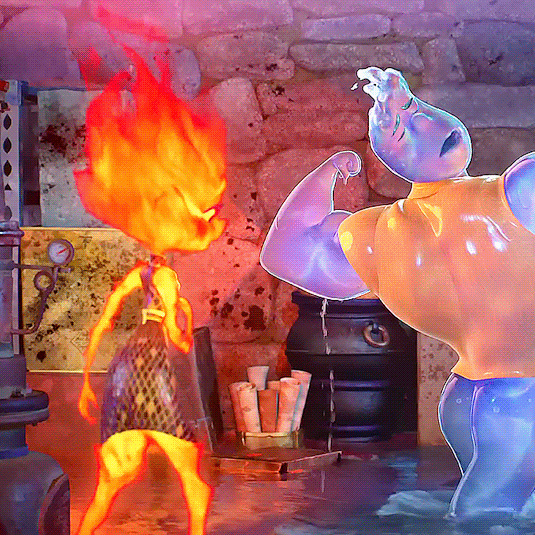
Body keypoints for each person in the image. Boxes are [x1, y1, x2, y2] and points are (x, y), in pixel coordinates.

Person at [261, 66, 535, 524]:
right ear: (387, 157)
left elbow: (287, 253)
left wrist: (327, 173)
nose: (424, 124)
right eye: (404, 128)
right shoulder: (519, 190)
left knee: (506, 508)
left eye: (416, 107)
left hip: (464, 397)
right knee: (488, 515)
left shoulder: (379, 234)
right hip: (521, 401)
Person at [77, 255, 211, 535]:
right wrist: (187, 317)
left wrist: (86, 382)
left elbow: (100, 327)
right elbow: (180, 341)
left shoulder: (136, 277)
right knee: (193, 479)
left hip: (123, 373)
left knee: (109, 483)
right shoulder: (167, 278)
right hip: (152, 370)